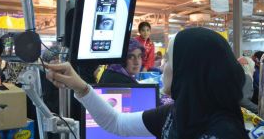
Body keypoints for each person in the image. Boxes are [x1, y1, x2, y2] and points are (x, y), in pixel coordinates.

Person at [46, 27, 249, 139]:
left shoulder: (225, 132)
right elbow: (116, 123)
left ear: (188, 70)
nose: (161, 67)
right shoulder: (176, 114)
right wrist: (81, 87)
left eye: (169, 59)